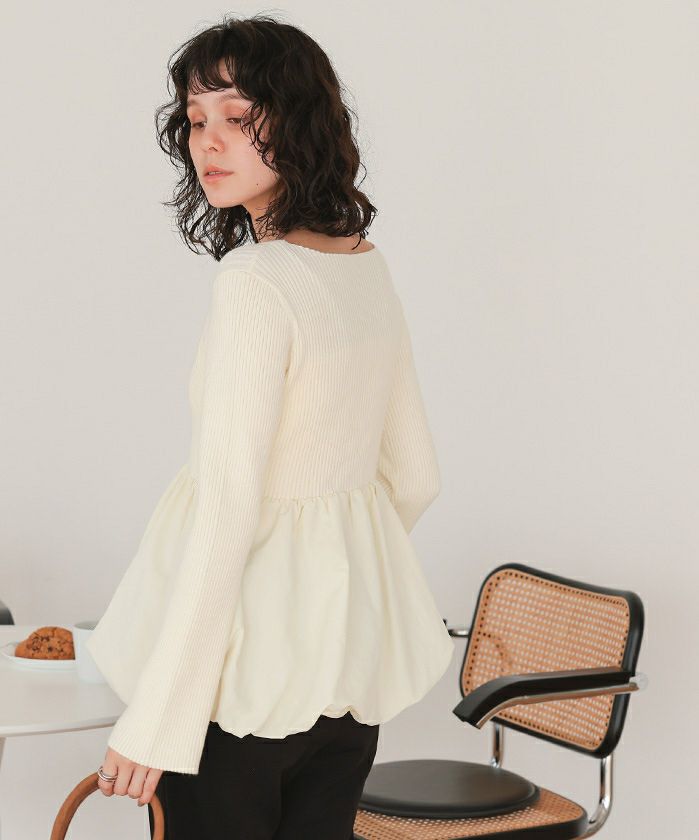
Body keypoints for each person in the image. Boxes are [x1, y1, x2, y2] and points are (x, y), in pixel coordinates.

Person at [86, 12, 454, 839]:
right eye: (195, 120)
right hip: (344, 676)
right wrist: (324, 580)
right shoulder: (363, 265)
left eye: (239, 117)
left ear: (297, 122)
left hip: (236, 689)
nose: (209, 143)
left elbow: (227, 510)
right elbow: (416, 475)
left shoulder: (256, 282)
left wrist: (159, 720)